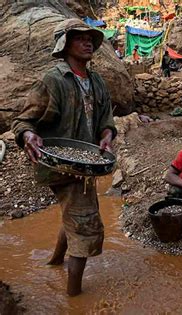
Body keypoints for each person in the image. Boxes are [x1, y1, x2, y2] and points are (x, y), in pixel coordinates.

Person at [11, 18, 116, 297]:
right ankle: (73, 298)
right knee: (84, 225)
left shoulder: (96, 81)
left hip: (87, 163)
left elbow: (106, 119)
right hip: (60, 163)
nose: (88, 42)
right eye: (79, 38)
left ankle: (55, 261)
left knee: (73, 213)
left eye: (90, 38)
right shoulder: (54, 80)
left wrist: (106, 135)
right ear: (65, 44)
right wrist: (28, 136)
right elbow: (23, 121)